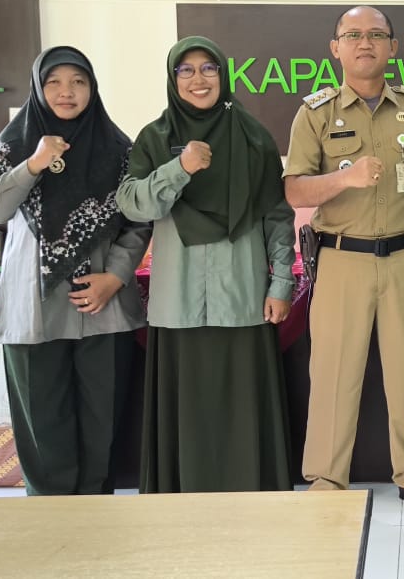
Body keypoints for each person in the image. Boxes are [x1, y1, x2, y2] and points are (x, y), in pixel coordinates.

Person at [284, 5, 404, 514]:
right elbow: (294, 190)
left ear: (393, 47)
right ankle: (326, 480)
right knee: (334, 374)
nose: (365, 43)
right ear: (335, 47)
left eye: (376, 35)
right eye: (354, 35)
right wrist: (346, 177)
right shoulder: (315, 113)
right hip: (343, 258)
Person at [116, 36, 296, 493]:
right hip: (179, 302)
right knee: (188, 409)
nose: (199, 79)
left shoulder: (254, 138)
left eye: (209, 68)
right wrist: (180, 167)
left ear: (223, 75)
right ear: (173, 78)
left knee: (242, 406)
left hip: (243, 298)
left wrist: (280, 283)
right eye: (186, 70)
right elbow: (133, 203)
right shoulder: (155, 138)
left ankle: (250, 497)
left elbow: (276, 216)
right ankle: (183, 499)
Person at [0, 46, 150, 496]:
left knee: (102, 426)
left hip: (103, 306)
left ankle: (95, 515)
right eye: (54, 82)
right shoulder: (13, 145)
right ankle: (50, 517)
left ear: (92, 88)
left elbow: (139, 219)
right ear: (38, 88)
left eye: (78, 82)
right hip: (33, 308)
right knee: (43, 426)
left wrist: (116, 276)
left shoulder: (118, 149)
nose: (66, 92)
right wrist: (32, 164)